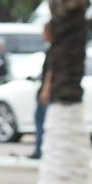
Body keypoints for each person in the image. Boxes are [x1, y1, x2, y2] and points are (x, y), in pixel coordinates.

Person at [31, 22, 53, 160]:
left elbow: (51, 72)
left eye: (44, 31)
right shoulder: (51, 49)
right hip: (47, 91)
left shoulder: (54, 51)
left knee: (41, 121)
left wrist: (45, 91)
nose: (42, 34)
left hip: (48, 93)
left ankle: (40, 150)